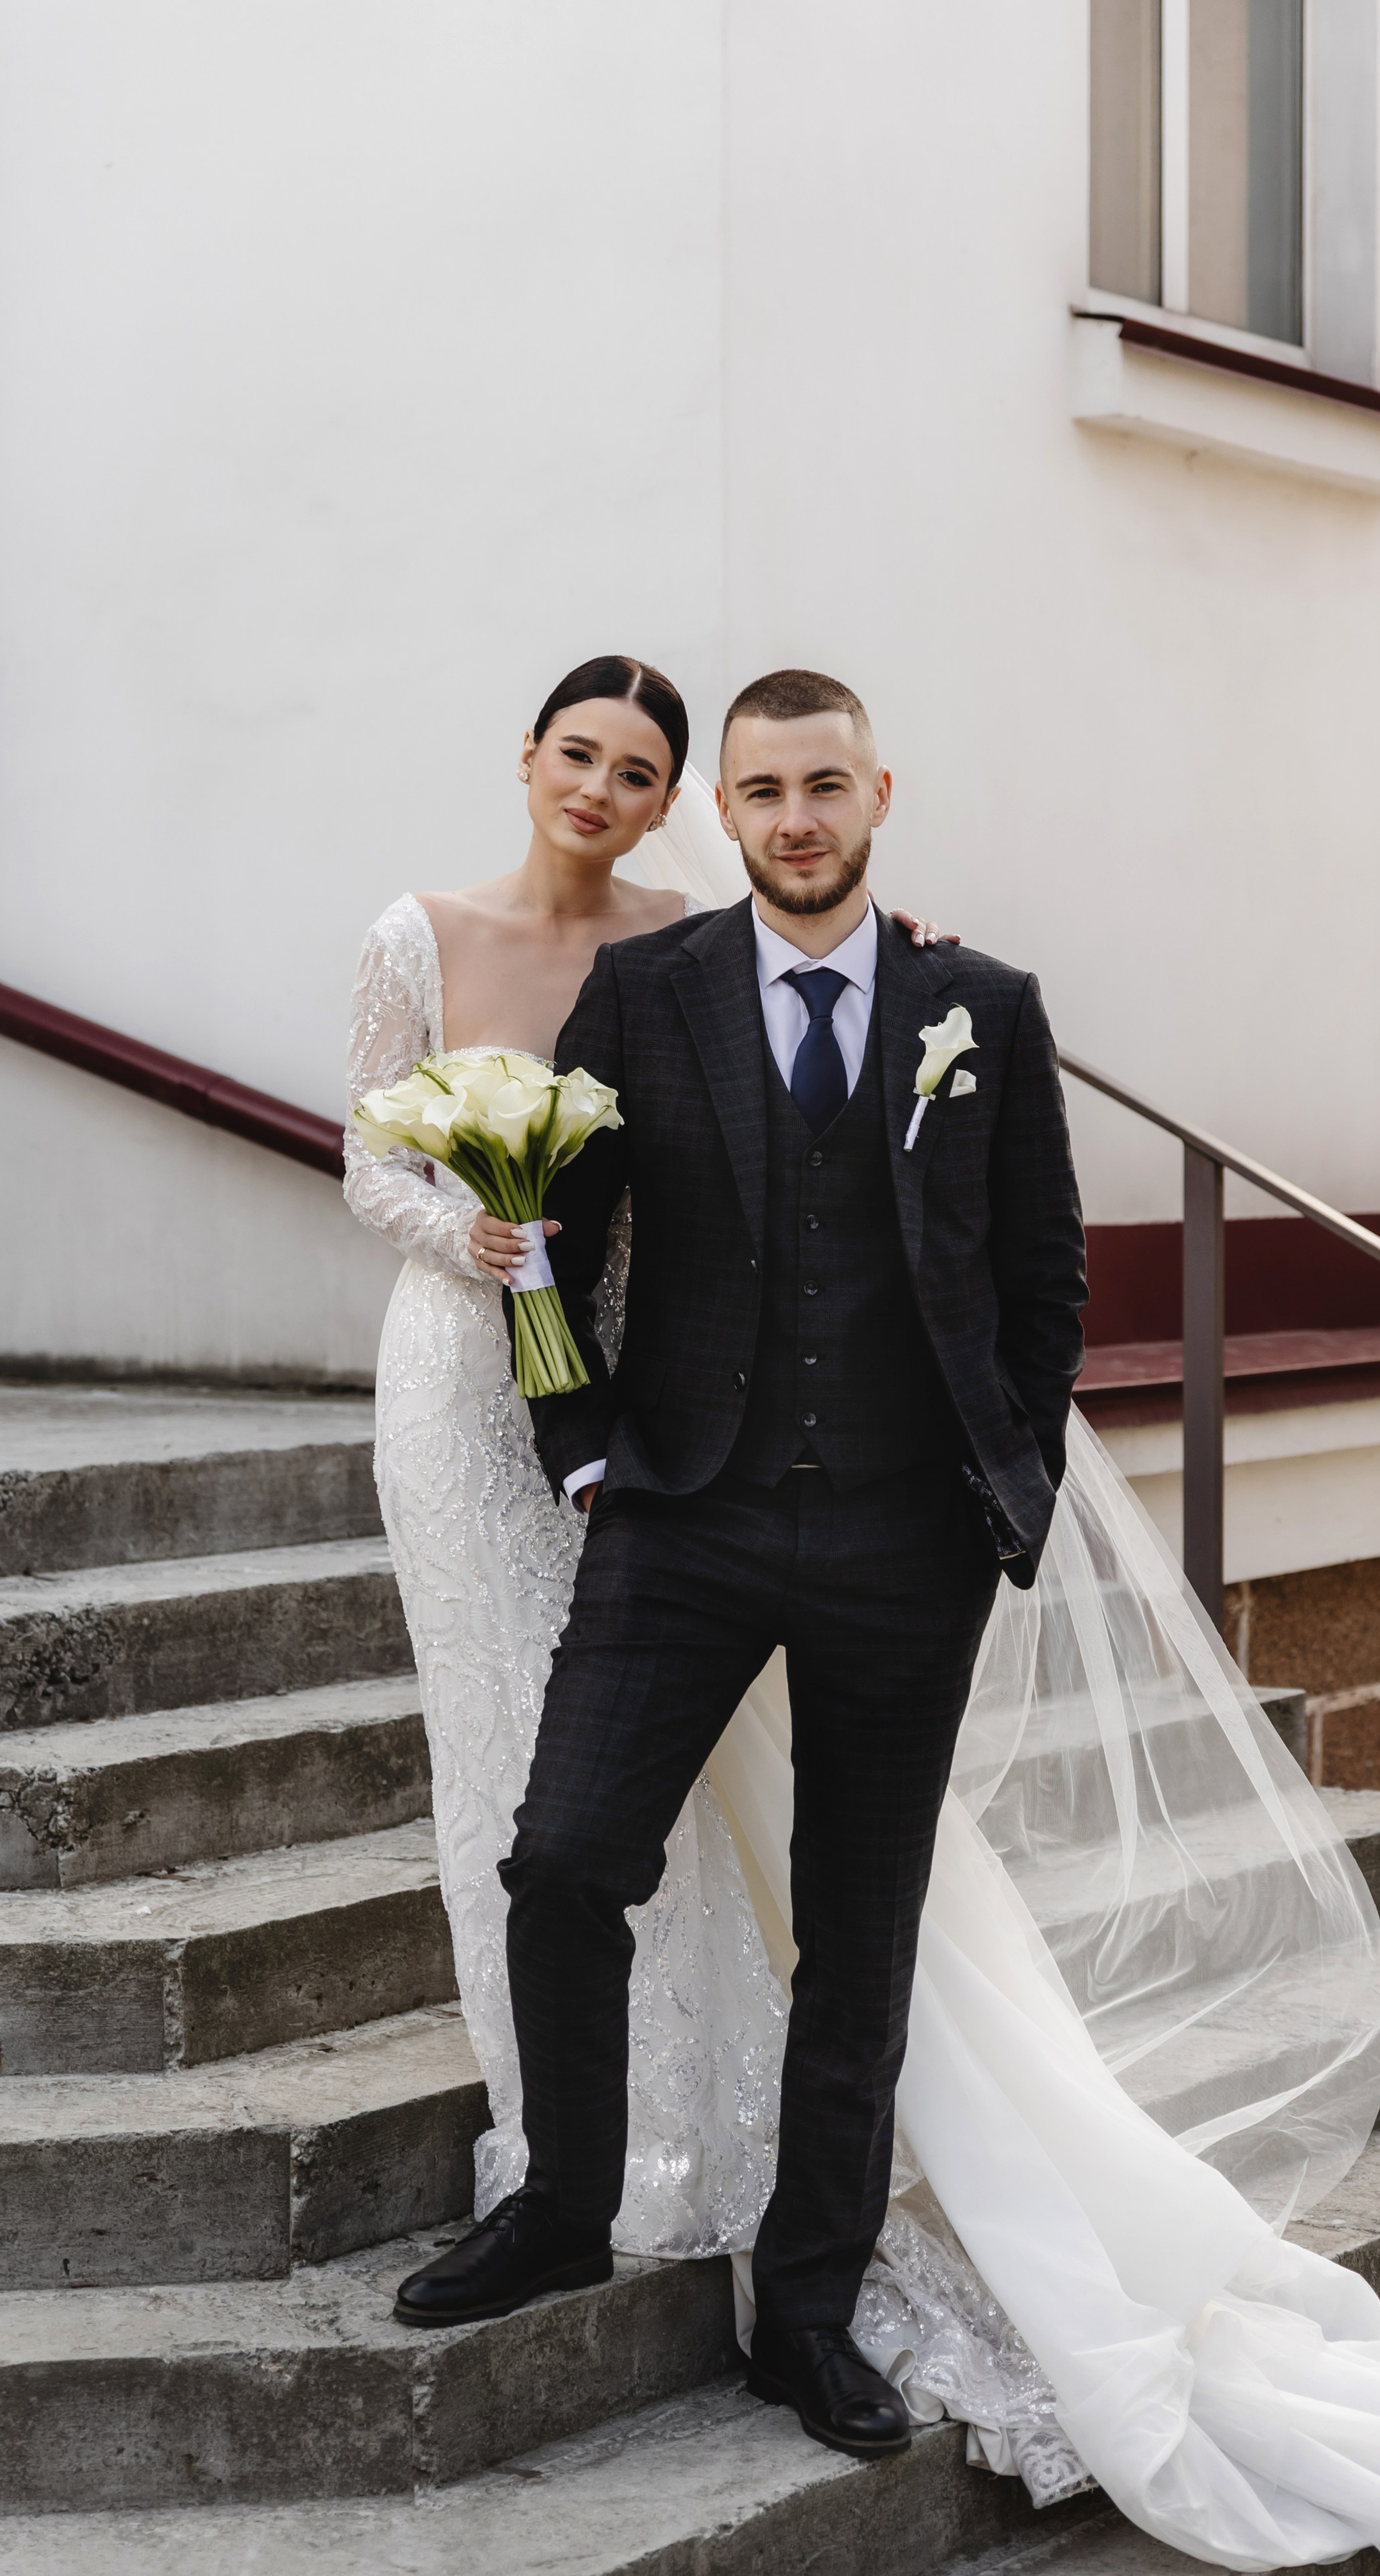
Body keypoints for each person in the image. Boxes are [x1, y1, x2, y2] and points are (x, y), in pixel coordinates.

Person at [386, 668, 1380, 2576]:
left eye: (822, 785)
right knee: (564, 1856)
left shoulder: (982, 1011)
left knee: (861, 1932)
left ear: (877, 793)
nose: (792, 818)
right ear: (728, 812)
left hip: (898, 1546)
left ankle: (811, 2310)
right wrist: (581, 1447)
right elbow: (562, 1226)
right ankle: (563, 2211)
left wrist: (991, 1499)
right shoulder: (649, 993)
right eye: (760, 791)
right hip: (680, 1519)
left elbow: (1043, 1271)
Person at [344, 653, 944, 2239]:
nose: (597, 792)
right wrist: (464, 1232)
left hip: (656, 1382)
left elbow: (822, 981)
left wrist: (911, 955)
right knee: (507, 1757)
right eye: (577, 755)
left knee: (665, 1771)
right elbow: (364, 1153)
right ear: (527, 755)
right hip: (462, 1373)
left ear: (673, 802)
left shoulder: (690, 936)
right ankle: (558, 2137)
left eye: (633, 774)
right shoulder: (418, 936)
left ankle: (704, 2104)